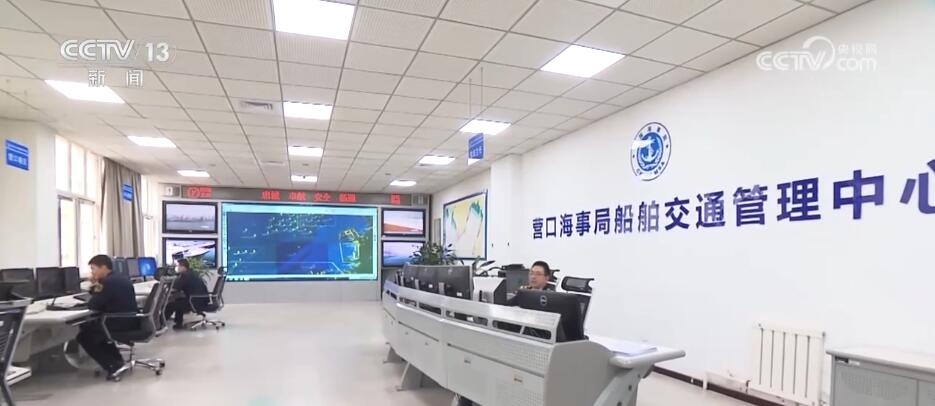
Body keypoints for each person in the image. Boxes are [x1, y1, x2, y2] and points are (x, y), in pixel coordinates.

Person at [77, 255, 139, 380]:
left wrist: (94, 286)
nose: (92, 272)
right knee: (94, 331)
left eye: (93, 268)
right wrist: (95, 284)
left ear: (103, 267)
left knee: (85, 336)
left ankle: (113, 366)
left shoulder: (107, 282)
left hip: (119, 322)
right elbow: (100, 295)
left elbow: (93, 304)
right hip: (129, 320)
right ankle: (117, 361)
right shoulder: (120, 278)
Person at [164, 259, 209, 330]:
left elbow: (176, 287)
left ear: (183, 267)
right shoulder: (192, 273)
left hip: (194, 301)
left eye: (178, 266)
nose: (177, 268)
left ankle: (161, 324)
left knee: (170, 305)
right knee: (178, 300)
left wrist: (166, 284)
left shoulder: (185, 275)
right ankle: (178, 322)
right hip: (201, 300)